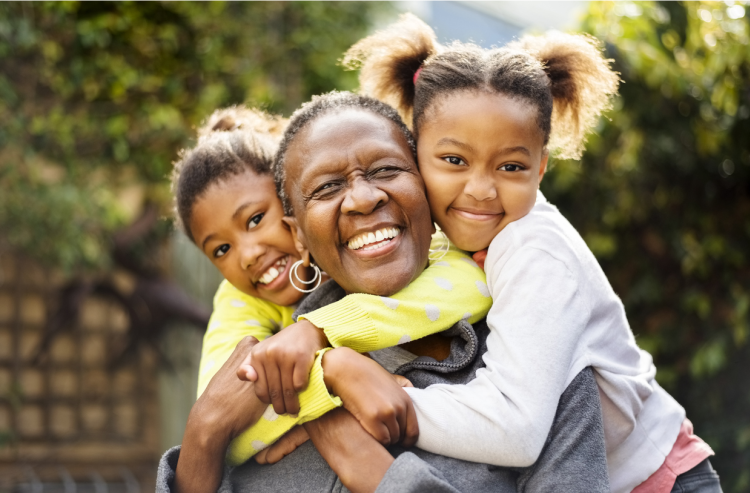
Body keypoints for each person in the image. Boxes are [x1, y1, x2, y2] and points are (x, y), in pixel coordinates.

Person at [339, 13, 722, 493]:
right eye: (454, 160)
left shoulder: (534, 251)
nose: (480, 189)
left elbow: (516, 429)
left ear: (540, 168)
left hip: (659, 481)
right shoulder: (443, 239)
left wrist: (398, 402)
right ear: (415, 153)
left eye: (511, 166)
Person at [157, 91, 611, 492]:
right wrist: (205, 433)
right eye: (328, 187)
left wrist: (374, 471)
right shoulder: (272, 374)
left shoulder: (536, 362)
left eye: (387, 169)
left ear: (428, 190)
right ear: (298, 235)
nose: (362, 198)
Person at [169, 105, 492, 465]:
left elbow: (473, 284)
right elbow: (221, 410)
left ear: (293, 201)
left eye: (257, 219)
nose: (247, 254)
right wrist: (329, 386)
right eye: (221, 249)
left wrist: (321, 332)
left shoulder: (406, 239)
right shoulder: (239, 300)